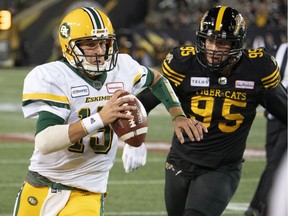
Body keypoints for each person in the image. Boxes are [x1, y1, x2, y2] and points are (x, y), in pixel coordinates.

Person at [12, 7, 207, 216]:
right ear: (70, 47)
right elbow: (44, 142)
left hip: (87, 191)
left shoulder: (122, 68)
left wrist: (177, 114)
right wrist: (100, 119)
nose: (99, 50)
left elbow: (157, 80)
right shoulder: (54, 76)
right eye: (90, 44)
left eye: (104, 43)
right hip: (40, 183)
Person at [136, 5, 287, 216]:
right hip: (179, 161)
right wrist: (133, 139)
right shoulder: (184, 63)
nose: (214, 48)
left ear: (237, 43)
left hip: (221, 168)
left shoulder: (256, 69)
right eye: (209, 40)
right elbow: (142, 102)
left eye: (222, 42)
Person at [245, 42, 288, 216]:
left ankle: (257, 206)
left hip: (281, 113)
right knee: (274, 162)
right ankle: (262, 206)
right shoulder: (281, 48)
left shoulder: (281, 47)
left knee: (276, 163)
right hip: (275, 114)